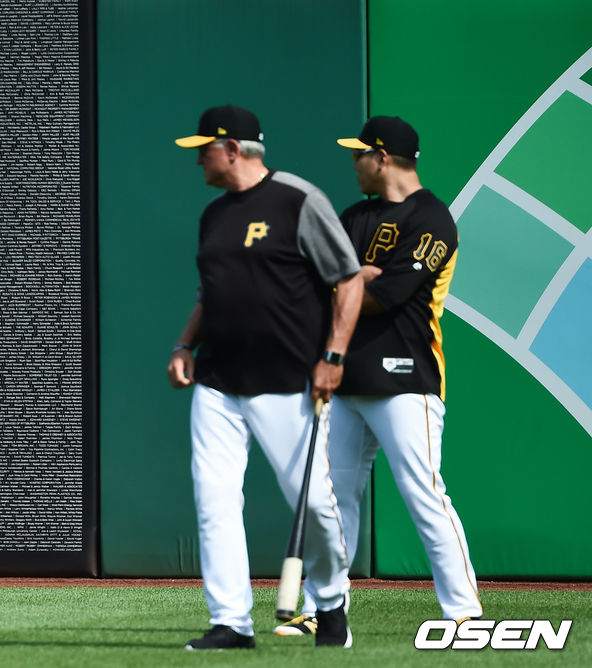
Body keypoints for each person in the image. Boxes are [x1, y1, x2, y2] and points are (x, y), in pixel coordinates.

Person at [168, 104, 364, 650]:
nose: (198, 160)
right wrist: (185, 344)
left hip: (287, 380)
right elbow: (211, 293)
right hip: (217, 382)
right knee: (214, 500)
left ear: (232, 149)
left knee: (315, 503)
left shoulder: (298, 200)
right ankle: (232, 621)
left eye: (204, 149)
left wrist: (334, 356)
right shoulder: (213, 215)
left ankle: (330, 602)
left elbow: (348, 280)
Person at [277, 116, 482, 635]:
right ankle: (323, 611)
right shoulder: (354, 217)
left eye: (359, 154)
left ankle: (463, 614)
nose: (353, 163)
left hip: (406, 381)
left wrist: (352, 285)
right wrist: (351, 283)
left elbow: (387, 295)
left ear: (383, 158)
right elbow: (315, 285)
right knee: (332, 500)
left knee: (424, 495)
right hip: (346, 378)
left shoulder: (433, 219)